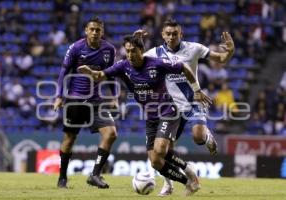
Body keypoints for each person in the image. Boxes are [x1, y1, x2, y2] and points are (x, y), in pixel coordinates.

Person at [78, 35, 212, 196]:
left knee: (160, 149)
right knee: (156, 161)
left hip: (168, 111)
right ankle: (188, 179)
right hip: (150, 117)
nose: (130, 55)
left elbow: (183, 67)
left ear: (141, 50)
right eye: (127, 51)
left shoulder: (156, 63)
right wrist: (91, 72)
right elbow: (101, 76)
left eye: (133, 51)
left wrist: (197, 90)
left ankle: (187, 174)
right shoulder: (123, 66)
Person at [135, 18, 235, 196]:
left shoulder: (194, 48)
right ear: (163, 35)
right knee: (164, 151)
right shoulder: (154, 53)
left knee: (197, 137)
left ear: (181, 34)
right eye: (168, 34)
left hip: (193, 101)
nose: (172, 36)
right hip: (169, 108)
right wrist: (137, 43)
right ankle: (168, 184)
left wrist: (229, 52)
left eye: (175, 33)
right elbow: (136, 62)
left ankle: (206, 137)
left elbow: (220, 58)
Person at [54, 16, 118, 189]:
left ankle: (95, 175)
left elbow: (110, 74)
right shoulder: (76, 47)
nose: (95, 32)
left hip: (96, 101)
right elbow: (64, 71)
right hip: (75, 100)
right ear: (86, 31)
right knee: (70, 138)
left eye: (98, 30)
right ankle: (62, 178)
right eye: (92, 29)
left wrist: (113, 96)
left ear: (102, 32)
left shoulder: (109, 50)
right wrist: (59, 96)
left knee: (111, 133)